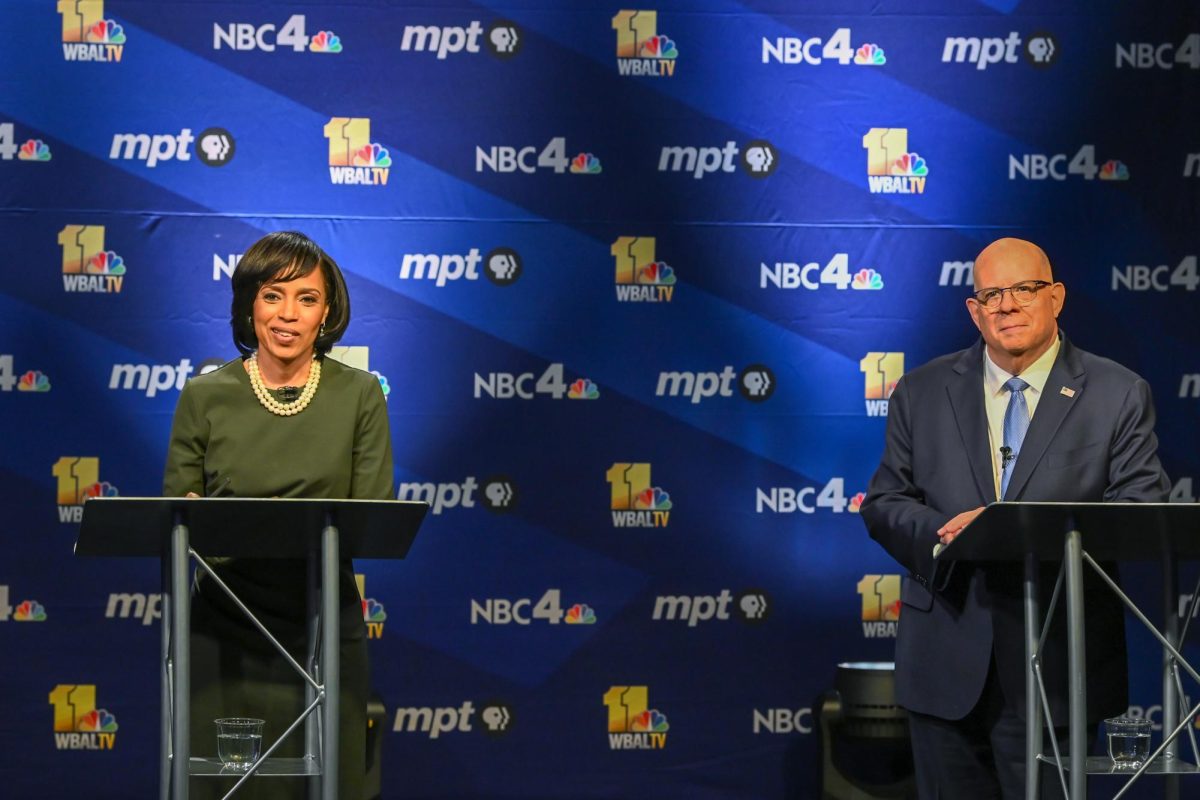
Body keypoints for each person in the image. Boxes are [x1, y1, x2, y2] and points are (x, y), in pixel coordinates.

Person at [860, 237, 1169, 798]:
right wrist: (947, 534)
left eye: (1024, 290)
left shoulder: (1116, 393)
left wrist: (1012, 527)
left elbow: (1141, 510)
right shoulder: (922, 391)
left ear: (1055, 297)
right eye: (992, 294)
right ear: (975, 311)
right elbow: (885, 501)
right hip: (944, 661)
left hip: (1060, 667)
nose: (1008, 306)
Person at [163, 231, 393, 799]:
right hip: (224, 626)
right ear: (249, 305)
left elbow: (371, 516)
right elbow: (177, 515)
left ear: (327, 312)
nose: (288, 314)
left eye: (307, 298)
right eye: (273, 295)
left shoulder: (360, 395)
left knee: (328, 782)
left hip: (322, 622)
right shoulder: (204, 396)